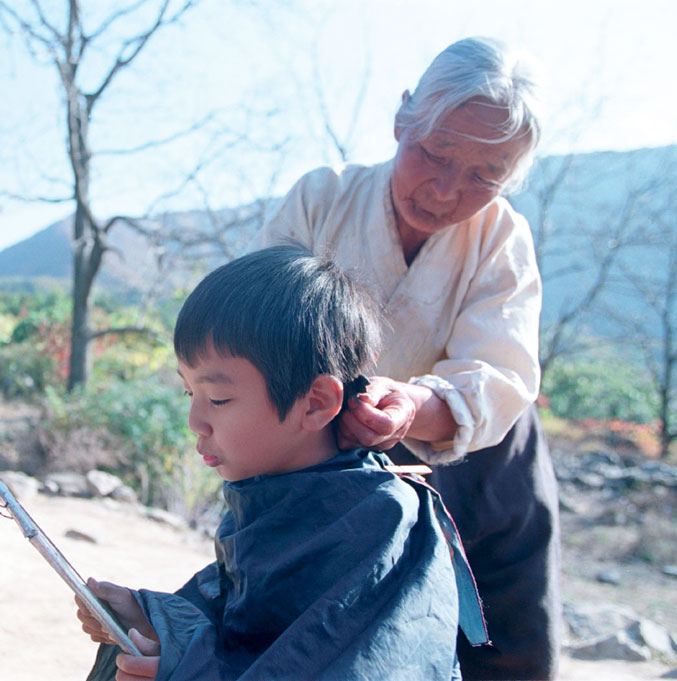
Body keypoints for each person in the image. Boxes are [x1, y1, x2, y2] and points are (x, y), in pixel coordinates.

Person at [260, 36, 561, 680]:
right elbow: (259, 330)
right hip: (321, 444)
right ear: (402, 120)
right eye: (434, 153)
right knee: (322, 643)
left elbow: (499, 372)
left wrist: (414, 406)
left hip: (479, 459)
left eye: (486, 175)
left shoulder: (501, 238)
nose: (449, 190)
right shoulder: (322, 200)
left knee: (501, 648)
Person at [76, 245, 488, 681]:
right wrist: (152, 621)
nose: (195, 421)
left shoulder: (383, 524)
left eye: (218, 399)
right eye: (188, 393)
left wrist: (184, 669)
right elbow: (241, 630)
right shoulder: (262, 494)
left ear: (315, 403)